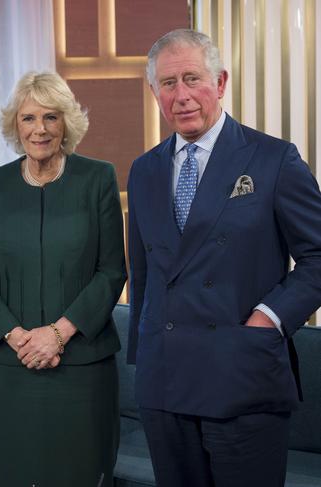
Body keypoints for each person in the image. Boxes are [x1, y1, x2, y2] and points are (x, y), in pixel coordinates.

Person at [127, 28, 321, 487]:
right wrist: (144, 353)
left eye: (193, 78)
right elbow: (145, 273)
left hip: (241, 373)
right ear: (154, 92)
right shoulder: (145, 169)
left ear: (221, 82)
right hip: (165, 379)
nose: (182, 95)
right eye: (169, 84)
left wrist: (269, 319)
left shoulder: (274, 159)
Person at [0, 71, 127, 487]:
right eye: (29, 118)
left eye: (51, 117)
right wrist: (21, 339)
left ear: (66, 123)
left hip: (82, 367)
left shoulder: (97, 179)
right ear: (15, 125)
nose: (40, 129)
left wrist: (56, 335)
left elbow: (111, 271)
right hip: (12, 366)